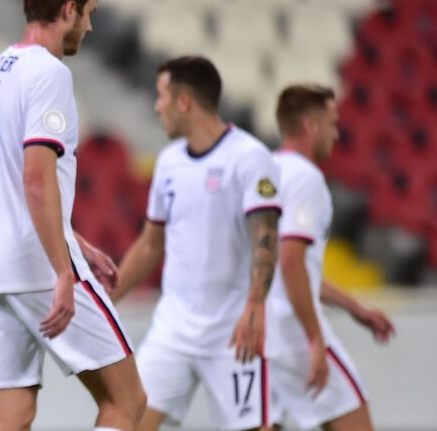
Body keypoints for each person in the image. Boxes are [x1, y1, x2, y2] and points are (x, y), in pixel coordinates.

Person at [0, 0, 146, 431]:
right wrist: (65, 270)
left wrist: (75, 238)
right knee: (127, 400)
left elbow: (6, 180)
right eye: (87, 15)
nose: (88, 28)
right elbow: (36, 177)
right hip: (37, 268)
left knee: (10, 417)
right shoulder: (50, 73)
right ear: (68, 9)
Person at [112, 56, 283, 431]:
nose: (157, 107)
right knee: (128, 417)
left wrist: (255, 304)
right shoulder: (169, 162)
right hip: (173, 330)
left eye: (161, 96)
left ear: (184, 101)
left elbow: (266, 237)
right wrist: (105, 304)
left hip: (233, 332)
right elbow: (149, 245)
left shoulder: (250, 157)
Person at [266, 84, 395, 430]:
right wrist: (314, 337)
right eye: (332, 123)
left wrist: (357, 309)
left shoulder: (265, 173)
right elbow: (291, 261)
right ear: (310, 126)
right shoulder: (307, 180)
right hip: (293, 332)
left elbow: (290, 268)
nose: (336, 135)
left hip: (261, 336)